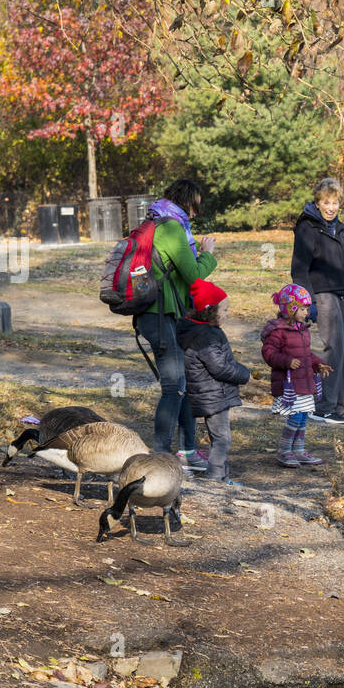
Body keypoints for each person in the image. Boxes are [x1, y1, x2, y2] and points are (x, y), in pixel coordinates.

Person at [135, 179, 218, 470]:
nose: (196, 213)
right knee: (174, 387)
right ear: (188, 202)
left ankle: (187, 450)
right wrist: (208, 253)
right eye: (195, 206)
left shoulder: (157, 220)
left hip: (162, 313)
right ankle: (160, 459)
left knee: (181, 384)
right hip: (158, 315)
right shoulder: (171, 227)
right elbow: (194, 274)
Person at [291, 177, 344, 424]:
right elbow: (299, 269)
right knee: (332, 349)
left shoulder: (339, 228)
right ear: (318, 203)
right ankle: (324, 405)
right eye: (326, 202)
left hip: (343, 292)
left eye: (335, 202)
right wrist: (307, 303)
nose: (331, 207)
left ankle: (338, 404)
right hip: (322, 293)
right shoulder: (308, 227)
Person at [180, 280, 249, 485]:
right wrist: (243, 374)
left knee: (218, 438)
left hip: (212, 394)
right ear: (210, 311)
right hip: (212, 395)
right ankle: (215, 478)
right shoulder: (206, 337)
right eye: (224, 310)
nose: (227, 314)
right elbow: (219, 367)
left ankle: (222, 476)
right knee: (222, 439)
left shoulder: (203, 332)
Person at [261, 284, 332, 468]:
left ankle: (298, 450)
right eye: (303, 308)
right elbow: (268, 353)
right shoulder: (278, 331)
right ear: (291, 308)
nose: (307, 312)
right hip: (289, 383)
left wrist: (318, 364)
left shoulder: (303, 329)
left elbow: (306, 354)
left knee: (303, 417)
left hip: (304, 380)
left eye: (308, 308)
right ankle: (285, 451)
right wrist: (286, 361)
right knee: (295, 416)